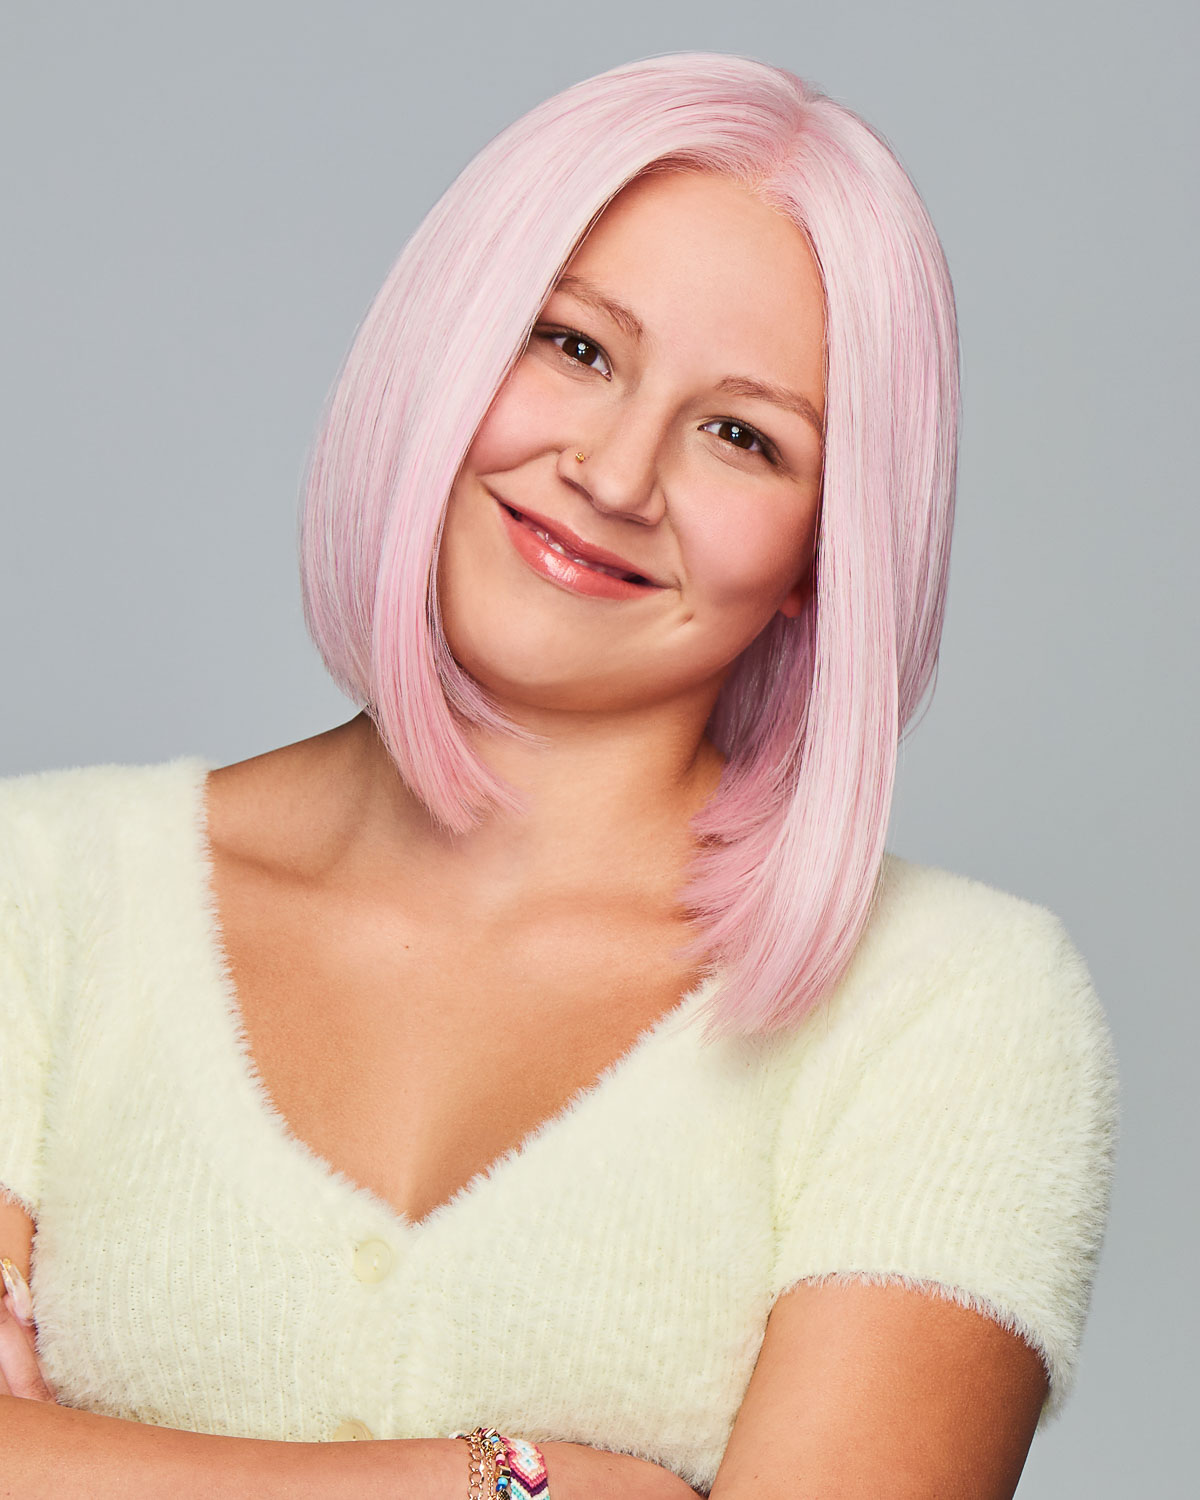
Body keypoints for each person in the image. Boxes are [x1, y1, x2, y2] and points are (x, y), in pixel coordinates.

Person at [0, 50, 1119, 1500]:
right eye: (576, 347)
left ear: (822, 554)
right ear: (450, 348)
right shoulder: (36, 896)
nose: (615, 473)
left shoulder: (951, 1004)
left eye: (743, 436)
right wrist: (480, 1485)